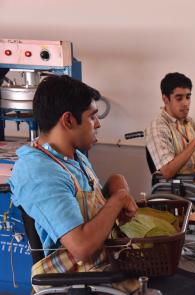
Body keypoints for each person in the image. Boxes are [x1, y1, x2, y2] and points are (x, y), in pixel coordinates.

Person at [8, 75, 139, 292]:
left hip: (99, 268)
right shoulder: (40, 172)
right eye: (92, 117)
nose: (97, 124)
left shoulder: (72, 156)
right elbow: (81, 247)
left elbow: (90, 210)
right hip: (74, 282)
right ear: (68, 120)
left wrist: (116, 184)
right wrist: (119, 200)